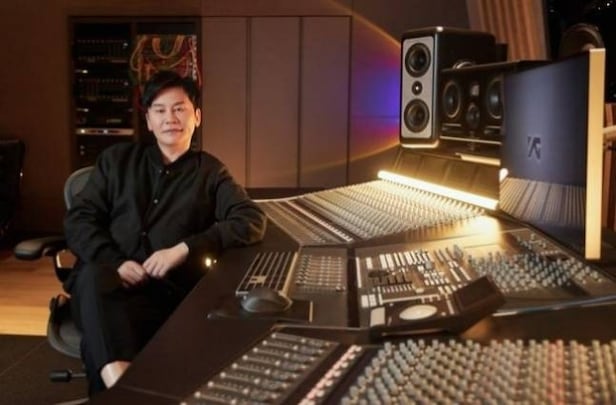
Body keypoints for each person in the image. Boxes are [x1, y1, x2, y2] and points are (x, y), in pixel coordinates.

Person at [63, 70, 267, 395]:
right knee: (92, 277)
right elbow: (79, 220)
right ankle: (127, 392)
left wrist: (183, 249)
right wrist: (116, 262)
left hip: (164, 295)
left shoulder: (211, 172)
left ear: (196, 116)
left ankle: (121, 392)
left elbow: (250, 219)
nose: (169, 118)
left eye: (179, 109)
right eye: (159, 110)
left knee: (100, 339)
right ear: (148, 120)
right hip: (104, 287)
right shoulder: (116, 161)